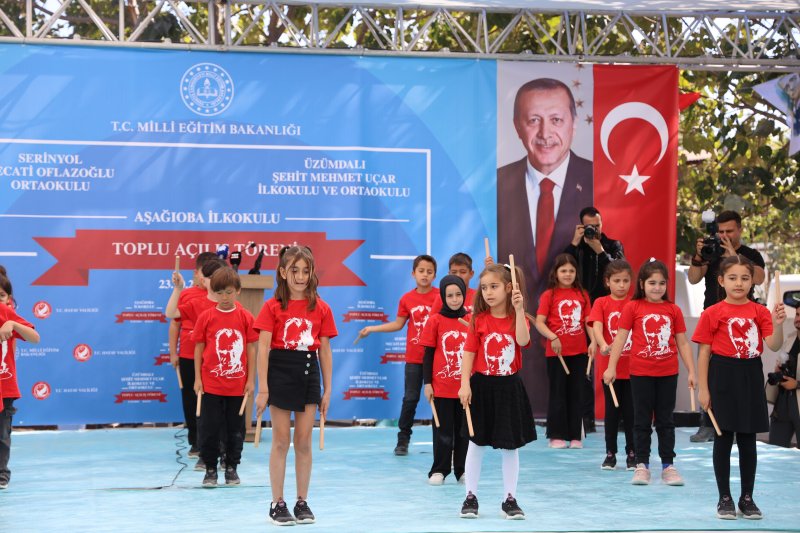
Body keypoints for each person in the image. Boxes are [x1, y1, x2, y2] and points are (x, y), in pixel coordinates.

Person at [496, 78, 593, 417]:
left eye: (556, 119)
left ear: (574, 123)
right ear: (517, 126)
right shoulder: (495, 184)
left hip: (570, 345)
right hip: (515, 346)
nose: (544, 132)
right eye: (533, 119)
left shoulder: (598, 181)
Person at [693, 255, 785, 520]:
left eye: (745, 278)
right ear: (721, 281)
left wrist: (777, 324)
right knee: (723, 438)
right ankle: (724, 497)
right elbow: (703, 353)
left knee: (747, 439)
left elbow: (774, 345)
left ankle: (747, 497)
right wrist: (703, 389)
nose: (739, 283)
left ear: (752, 282)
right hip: (721, 374)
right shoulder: (712, 312)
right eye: (732, 278)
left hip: (750, 374)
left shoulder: (759, 312)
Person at [255, 246, 336, 526]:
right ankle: (277, 503)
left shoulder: (321, 307)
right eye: (294, 271)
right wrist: (263, 388)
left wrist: (327, 389)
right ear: (282, 272)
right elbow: (263, 347)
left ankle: (302, 501)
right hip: (280, 370)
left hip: (308, 371)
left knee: (303, 441)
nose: (300, 277)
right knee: (280, 441)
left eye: (305, 271)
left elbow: (324, 350)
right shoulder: (272, 306)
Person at [603, 259, 697, 487]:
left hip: (668, 373)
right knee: (641, 420)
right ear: (642, 284)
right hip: (641, 373)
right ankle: (642, 465)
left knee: (665, 420)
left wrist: (691, 371)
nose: (657, 287)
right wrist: (611, 366)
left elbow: (682, 343)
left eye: (662, 283)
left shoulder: (673, 310)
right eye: (652, 283)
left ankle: (668, 465)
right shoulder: (632, 307)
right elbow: (621, 338)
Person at [458, 263, 536, 520]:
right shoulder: (478, 320)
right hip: (482, 386)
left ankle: (509, 499)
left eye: (494, 286)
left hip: (509, 387)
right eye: (484, 287)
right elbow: (468, 353)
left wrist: (519, 309)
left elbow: (523, 341)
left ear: (509, 288)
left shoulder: (518, 318)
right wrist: (465, 384)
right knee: (475, 444)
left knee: (510, 447)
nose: (488, 292)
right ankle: (470, 496)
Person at [688, 210, 766, 442]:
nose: (724, 236)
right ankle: (708, 423)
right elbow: (693, 277)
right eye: (720, 231)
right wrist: (699, 256)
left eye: (729, 231)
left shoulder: (750, 254)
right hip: (712, 317)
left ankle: (736, 423)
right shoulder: (712, 252)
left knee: (738, 375)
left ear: (739, 230)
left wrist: (734, 257)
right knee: (708, 370)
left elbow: (760, 278)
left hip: (741, 321)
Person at [359, 254, 437, 455]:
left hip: (437, 359)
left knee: (441, 400)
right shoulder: (407, 299)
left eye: (429, 272)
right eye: (421, 271)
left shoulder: (441, 296)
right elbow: (397, 324)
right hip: (414, 359)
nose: (425, 275)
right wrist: (372, 329)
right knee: (410, 398)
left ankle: (445, 440)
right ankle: (403, 440)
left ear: (435, 275)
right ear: (413, 274)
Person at [192, 267, 257, 488]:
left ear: (238, 291)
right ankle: (210, 469)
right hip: (210, 385)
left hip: (237, 386)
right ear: (213, 293)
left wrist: (250, 380)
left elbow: (251, 350)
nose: (225, 297)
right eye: (220, 293)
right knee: (209, 428)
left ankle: (231, 467)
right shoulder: (206, 317)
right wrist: (198, 379)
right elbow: (199, 349)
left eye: (229, 292)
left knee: (235, 429)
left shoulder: (246, 317)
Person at [166, 257, 227, 471]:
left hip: (216, 362)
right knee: (193, 402)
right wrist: (173, 352)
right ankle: (197, 443)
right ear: (198, 274)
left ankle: (220, 451)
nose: (207, 279)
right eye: (205, 274)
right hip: (190, 356)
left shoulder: (226, 300)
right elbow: (173, 320)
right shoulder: (190, 297)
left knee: (215, 408)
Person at [535, 253, 594, 449]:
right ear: (556, 273)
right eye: (563, 270)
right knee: (558, 393)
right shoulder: (549, 295)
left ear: (576, 273)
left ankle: (575, 436)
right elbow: (540, 323)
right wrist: (553, 337)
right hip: (556, 354)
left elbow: (588, 323)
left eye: (571, 270)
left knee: (577, 393)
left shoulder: (582, 294)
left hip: (579, 352)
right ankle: (556, 435)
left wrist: (593, 341)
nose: (567, 274)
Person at [420, 275, 470, 485]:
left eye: (458, 294)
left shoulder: (470, 320)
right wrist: (428, 383)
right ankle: (439, 469)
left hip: (465, 388)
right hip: (441, 388)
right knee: (442, 430)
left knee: (463, 432)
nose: (455, 299)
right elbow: (428, 354)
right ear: (443, 297)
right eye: (450, 295)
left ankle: (462, 469)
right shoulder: (435, 320)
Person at [588, 259, 635, 470]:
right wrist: (603, 343)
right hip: (610, 368)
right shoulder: (601, 303)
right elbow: (596, 327)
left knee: (632, 413)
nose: (622, 285)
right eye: (617, 280)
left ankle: (633, 453)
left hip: (634, 367)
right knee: (612, 413)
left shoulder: (635, 303)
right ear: (608, 282)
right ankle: (610, 453)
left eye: (626, 280)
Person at [0, 273, 41, 489]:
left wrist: (13, 324)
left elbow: (35, 337)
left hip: (4, 385)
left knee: (2, 433)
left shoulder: (6, 313)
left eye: (1, 295)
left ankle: (1, 474)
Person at [768, 311, 800, 449]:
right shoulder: (790, 339)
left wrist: (797, 384)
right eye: (798, 315)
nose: (798, 319)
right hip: (783, 403)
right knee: (775, 448)